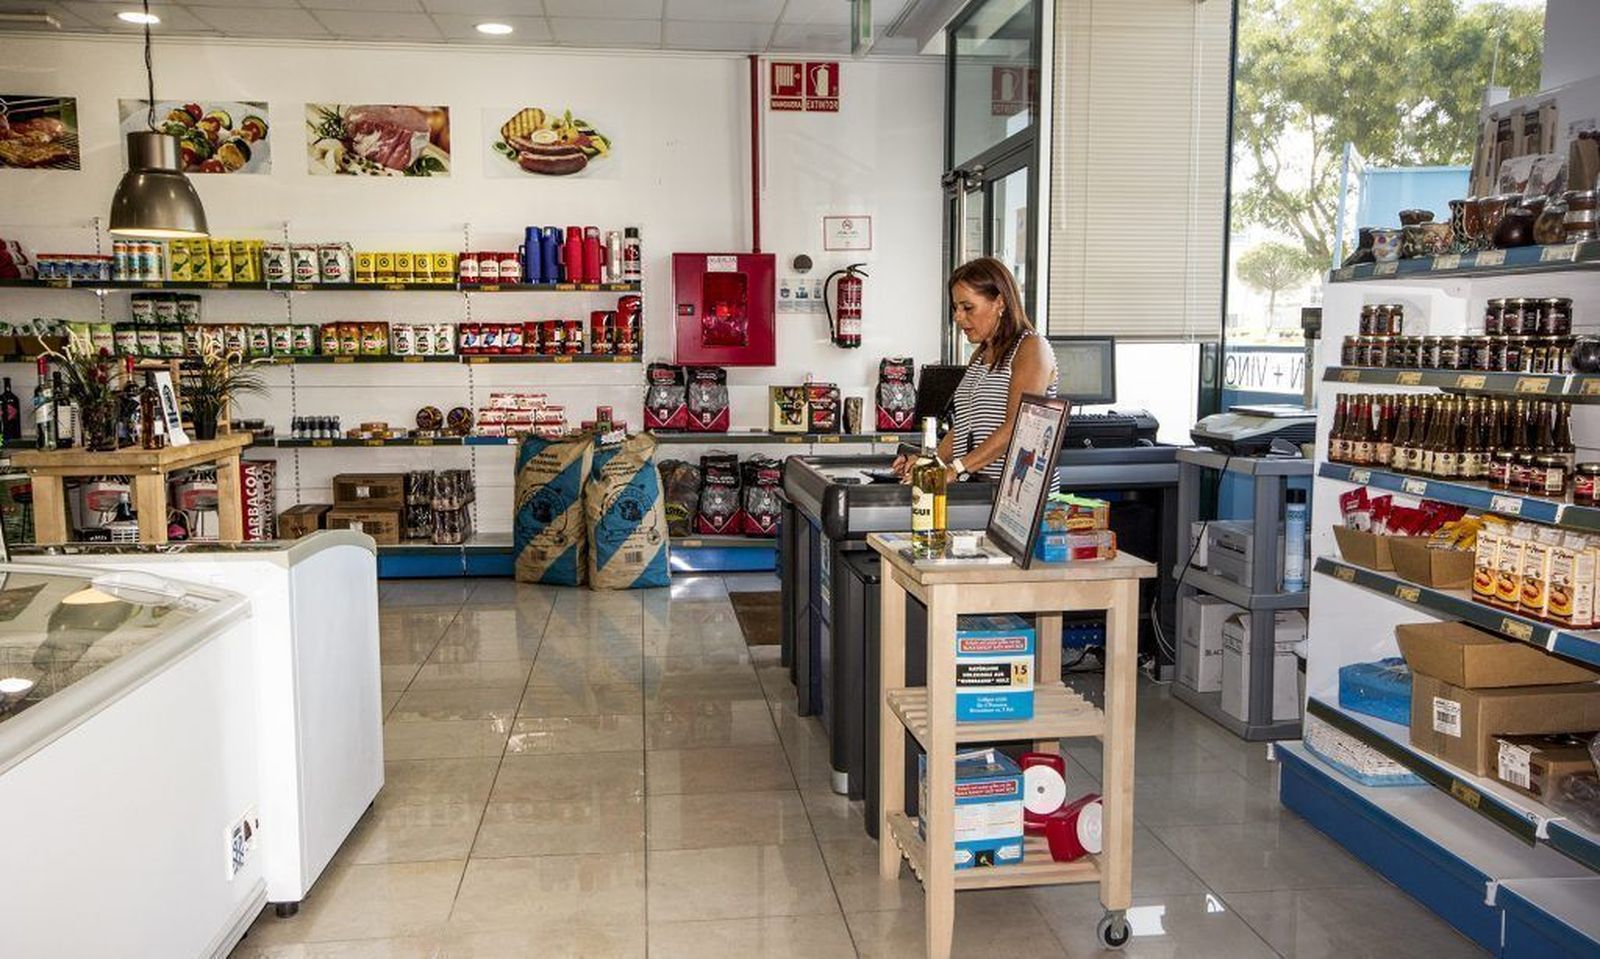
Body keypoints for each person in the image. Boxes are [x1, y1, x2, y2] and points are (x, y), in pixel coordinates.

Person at [893, 257, 1058, 482]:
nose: (958, 317)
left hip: (1017, 498)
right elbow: (963, 426)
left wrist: (955, 469)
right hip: (981, 491)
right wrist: (928, 461)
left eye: (968, 307)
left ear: (1000, 302)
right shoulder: (979, 356)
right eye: (956, 308)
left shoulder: (1031, 348)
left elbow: (1018, 427)